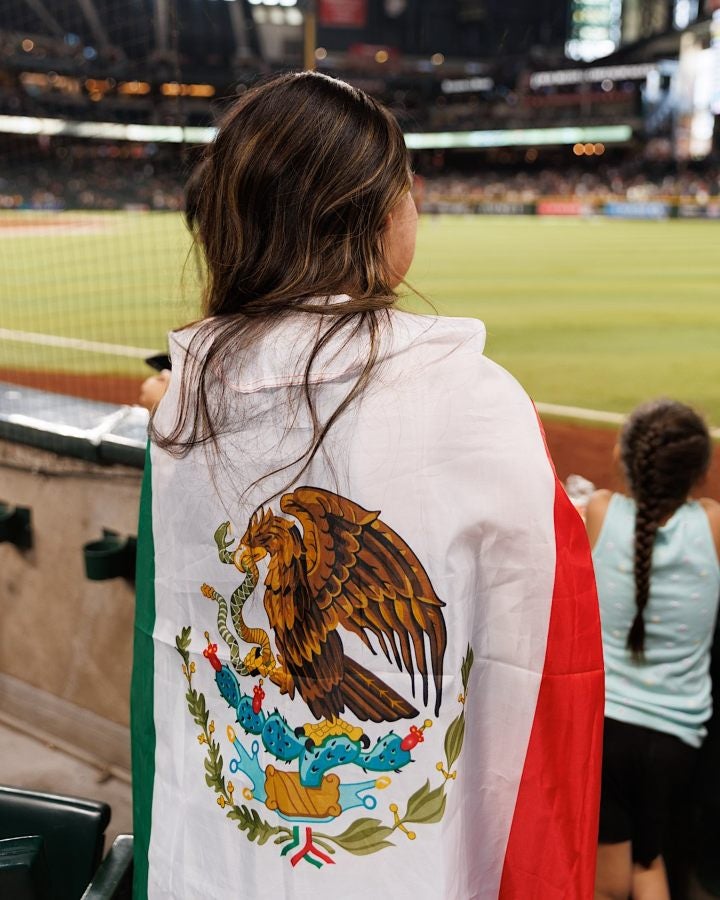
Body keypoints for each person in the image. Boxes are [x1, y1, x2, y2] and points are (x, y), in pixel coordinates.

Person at [131, 71, 604, 900]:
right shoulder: (479, 404)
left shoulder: (182, 408)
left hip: (214, 865)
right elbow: (546, 667)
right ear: (381, 214)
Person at [585, 399, 720, 900]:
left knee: (609, 883)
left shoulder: (600, 510)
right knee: (649, 863)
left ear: (624, 455)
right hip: (678, 739)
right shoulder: (712, 524)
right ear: (700, 469)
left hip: (606, 729)